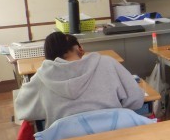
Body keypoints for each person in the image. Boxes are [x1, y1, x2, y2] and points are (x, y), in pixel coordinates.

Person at [15, 32, 145, 125]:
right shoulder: (107, 63)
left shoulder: (41, 77)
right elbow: (136, 98)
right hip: (114, 137)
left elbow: (23, 111)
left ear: (49, 57)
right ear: (79, 49)